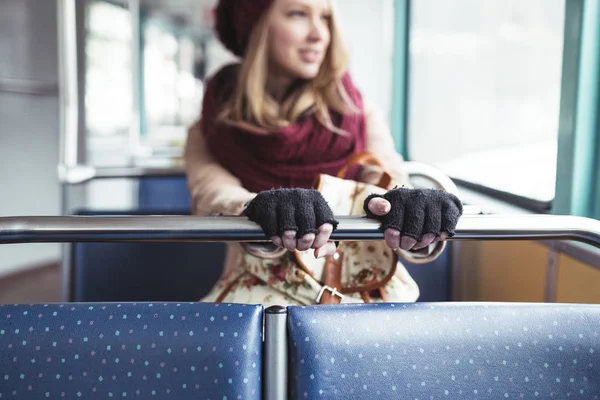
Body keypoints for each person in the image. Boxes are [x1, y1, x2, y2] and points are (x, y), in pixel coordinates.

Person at [184, 0, 463, 305]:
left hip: (355, 302)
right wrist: (256, 207)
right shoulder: (210, 128)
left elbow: (384, 176)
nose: (320, 34)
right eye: (298, 14)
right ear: (255, 27)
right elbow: (214, 194)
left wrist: (408, 205)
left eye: (326, 18)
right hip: (257, 301)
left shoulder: (358, 112)